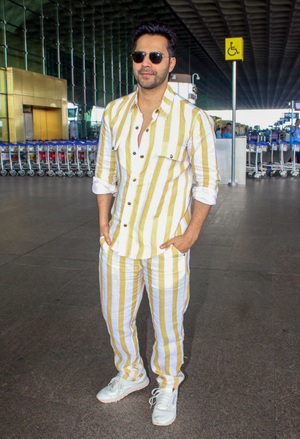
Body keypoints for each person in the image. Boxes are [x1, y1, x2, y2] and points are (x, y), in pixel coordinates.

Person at [92, 20, 219, 426]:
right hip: (119, 240)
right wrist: (103, 227)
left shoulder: (193, 119)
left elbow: (207, 184)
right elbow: (104, 175)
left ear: (170, 63)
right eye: (139, 56)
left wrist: (191, 235)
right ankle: (130, 373)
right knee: (116, 316)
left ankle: (168, 384)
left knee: (167, 324)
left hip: (166, 244)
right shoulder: (114, 112)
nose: (146, 63)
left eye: (155, 56)